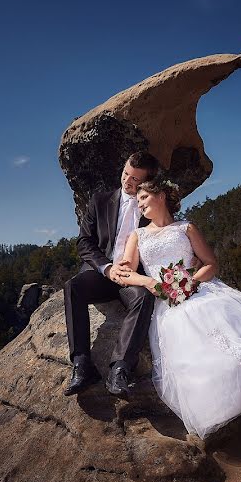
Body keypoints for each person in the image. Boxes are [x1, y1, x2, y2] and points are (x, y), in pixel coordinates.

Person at [113, 175, 241, 439]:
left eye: (144, 197)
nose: (140, 204)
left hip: (198, 289)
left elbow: (211, 264)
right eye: (137, 201)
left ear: (161, 196)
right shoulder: (138, 235)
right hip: (165, 300)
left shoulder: (186, 228)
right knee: (189, 343)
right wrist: (150, 282)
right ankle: (219, 407)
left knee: (224, 333)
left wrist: (189, 282)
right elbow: (126, 273)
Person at [63, 151, 160, 397]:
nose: (128, 181)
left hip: (132, 278)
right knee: (73, 286)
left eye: (136, 179)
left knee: (144, 297)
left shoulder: (152, 207)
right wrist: (106, 267)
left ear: (147, 182)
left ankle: (120, 369)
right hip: (103, 273)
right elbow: (84, 242)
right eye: (126, 173)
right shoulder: (100, 201)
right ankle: (82, 365)